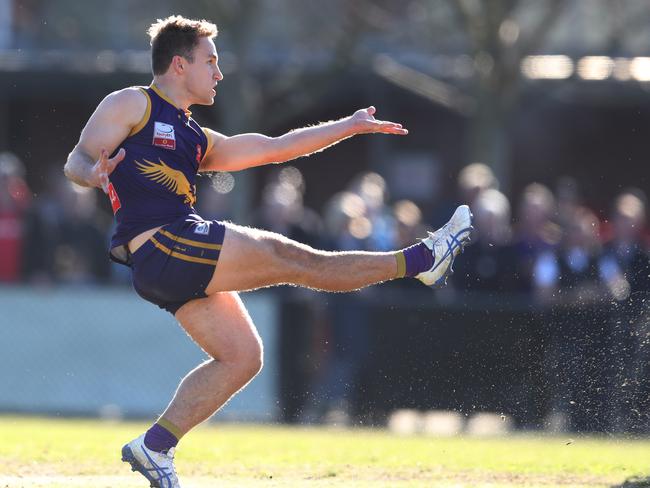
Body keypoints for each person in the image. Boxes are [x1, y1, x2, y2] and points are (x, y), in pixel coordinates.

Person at [63, 15, 472, 488]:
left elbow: (276, 148)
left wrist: (348, 127)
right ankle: (422, 260)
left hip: (163, 259)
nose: (218, 73)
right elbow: (77, 158)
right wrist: (89, 174)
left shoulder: (196, 135)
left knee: (243, 357)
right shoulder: (133, 101)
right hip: (166, 242)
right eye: (210, 62)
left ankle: (155, 447)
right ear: (179, 65)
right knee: (297, 260)